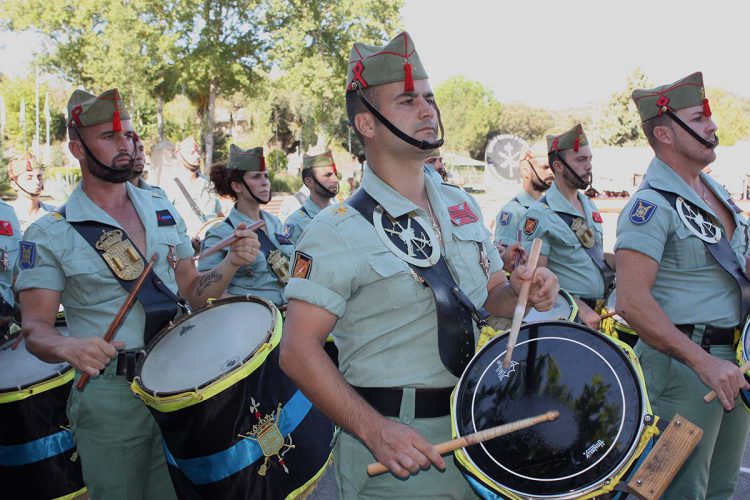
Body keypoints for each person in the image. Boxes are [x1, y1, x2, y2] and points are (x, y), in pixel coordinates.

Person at [279, 32, 559, 498]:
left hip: (480, 427)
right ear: (367, 124)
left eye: (429, 98)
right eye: (407, 100)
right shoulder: (335, 231)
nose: (428, 110)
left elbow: (492, 300)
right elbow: (297, 351)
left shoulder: (460, 205)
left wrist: (526, 290)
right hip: (397, 450)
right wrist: (374, 431)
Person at [16, 89, 261, 500]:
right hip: (111, 395)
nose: (125, 145)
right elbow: (35, 330)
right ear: (77, 148)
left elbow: (192, 292)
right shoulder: (50, 233)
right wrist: (70, 347)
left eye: (129, 135)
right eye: (110, 137)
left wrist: (231, 263)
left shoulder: (160, 206)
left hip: (180, 383)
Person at [616, 72, 750, 499]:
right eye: (699, 117)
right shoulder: (650, 205)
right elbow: (631, 303)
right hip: (684, 370)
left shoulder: (717, 193)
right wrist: (703, 363)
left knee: (720, 489)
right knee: (675, 492)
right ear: (664, 133)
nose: (713, 126)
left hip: (733, 364)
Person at [521, 124, 614, 329]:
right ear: (558, 166)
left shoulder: (588, 204)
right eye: (581, 159)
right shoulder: (539, 216)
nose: (588, 166)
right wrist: (578, 306)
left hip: (602, 313)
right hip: (567, 317)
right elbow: (537, 281)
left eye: (590, 159)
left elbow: (592, 255)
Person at [199, 144, 293, 306]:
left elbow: (295, 268)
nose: (265, 183)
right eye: (256, 177)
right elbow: (204, 292)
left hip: (291, 312)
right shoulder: (221, 233)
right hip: (255, 322)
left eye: (266, 176)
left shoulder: (274, 223)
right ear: (237, 186)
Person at [494, 142, 553, 272]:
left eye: (552, 168)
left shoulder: (551, 208)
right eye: (545, 167)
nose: (551, 173)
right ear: (526, 170)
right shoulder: (512, 212)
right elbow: (504, 261)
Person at [162, 136, 223, 236]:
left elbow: (218, 214)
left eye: (198, 152)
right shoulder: (170, 187)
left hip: (213, 242)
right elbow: (164, 223)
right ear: (179, 155)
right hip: (188, 246)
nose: (197, 156)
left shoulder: (208, 182)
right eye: (192, 152)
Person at [283, 148, 340, 246]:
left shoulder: (341, 213)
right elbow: (293, 259)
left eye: (335, 174)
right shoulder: (296, 223)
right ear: (309, 182)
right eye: (328, 175)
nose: (335, 180)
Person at [8, 152, 55, 231]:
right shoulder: (6, 214)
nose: (37, 182)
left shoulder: (54, 213)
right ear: (14, 185)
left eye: (39, 177)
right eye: (29, 178)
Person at [129, 132, 167, 198]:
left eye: (141, 150)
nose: (139, 157)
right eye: (132, 151)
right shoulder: (111, 198)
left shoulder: (158, 194)